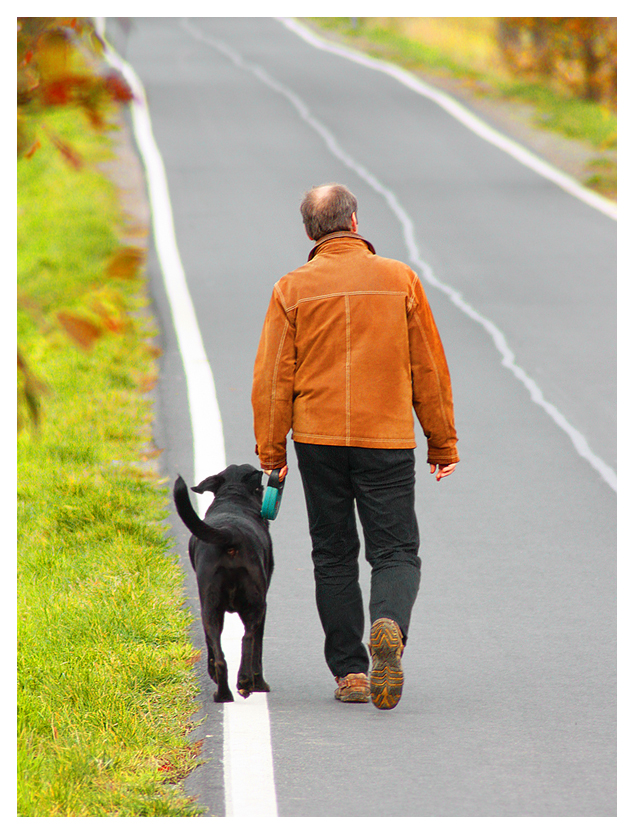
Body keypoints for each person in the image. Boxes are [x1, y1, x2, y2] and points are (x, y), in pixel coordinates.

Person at [251, 183, 458, 710]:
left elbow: (274, 378)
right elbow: (427, 367)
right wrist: (442, 441)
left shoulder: (290, 289)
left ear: (309, 231)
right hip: (386, 437)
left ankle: (351, 673)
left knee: (333, 554)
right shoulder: (400, 280)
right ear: (356, 222)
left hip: (318, 441)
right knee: (394, 550)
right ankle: (388, 623)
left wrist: (272, 454)